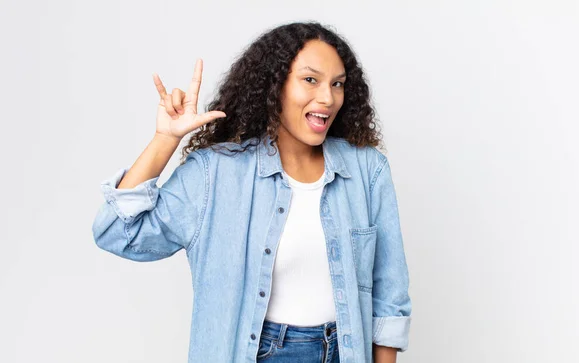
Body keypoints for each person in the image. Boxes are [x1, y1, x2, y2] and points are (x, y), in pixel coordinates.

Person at [92, 22, 411, 363]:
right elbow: (117, 232)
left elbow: (389, 296)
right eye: (310, 80)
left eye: (337, 84)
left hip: (345, 352)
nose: (327, 98)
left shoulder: (367, 170)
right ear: (274, 85)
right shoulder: (217, 173)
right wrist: (166, 139)